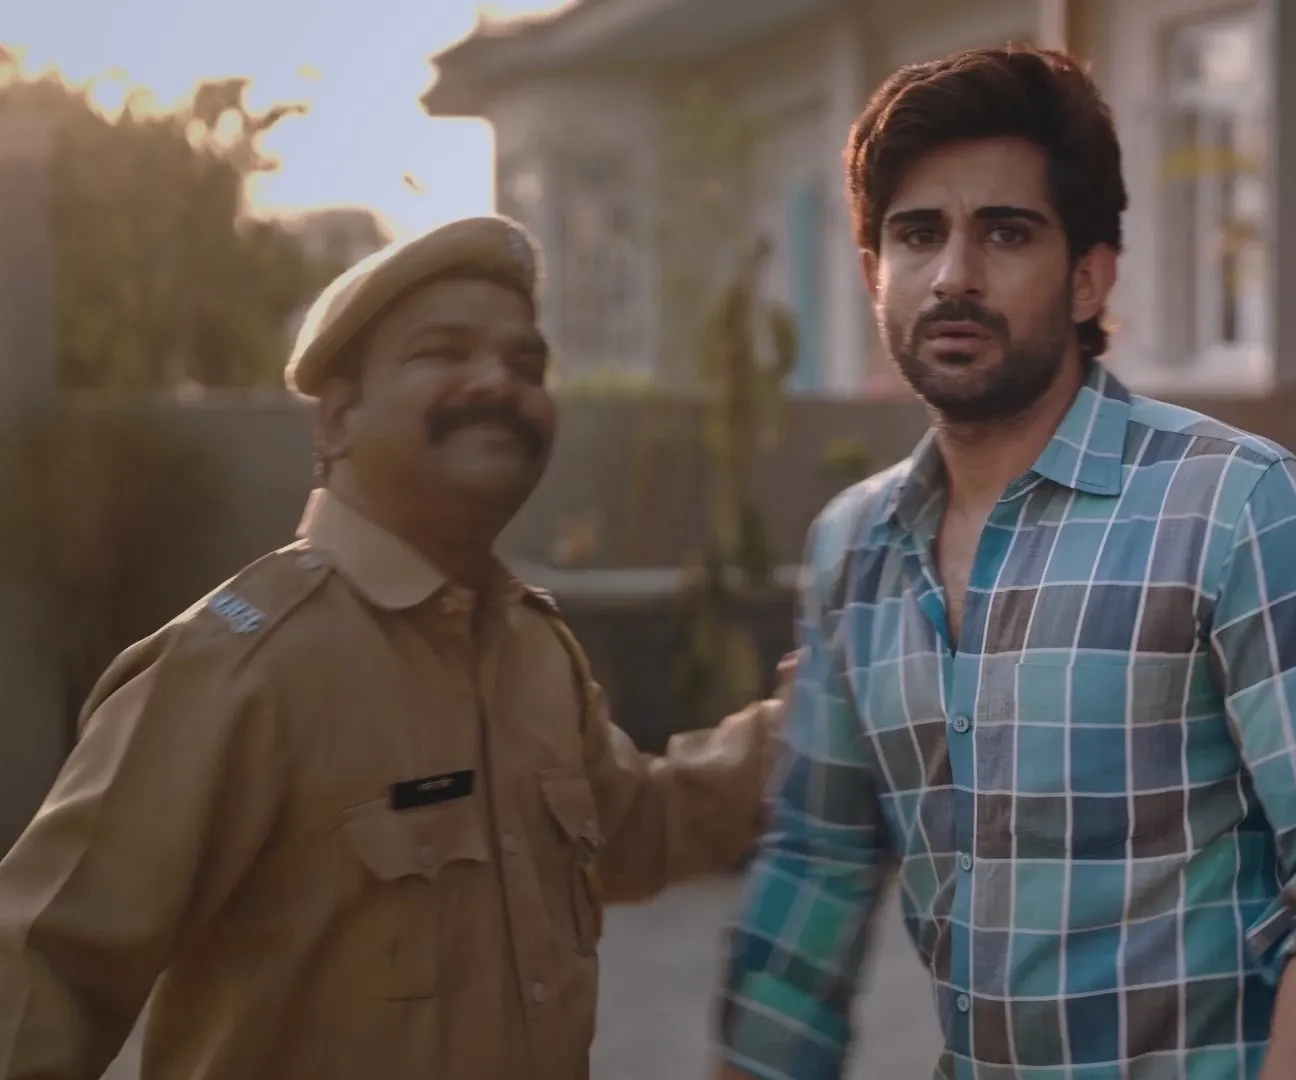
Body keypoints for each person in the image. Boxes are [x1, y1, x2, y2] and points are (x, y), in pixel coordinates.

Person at [717, 45, 1296, 1080]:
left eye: (1006, 233)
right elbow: (814, 871)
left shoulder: (1242, 510)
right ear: (875, 272)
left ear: (1090, 276)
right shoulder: (853, 549)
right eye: (917, 235)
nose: (954, 275)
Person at [0, 216, 787, 1080]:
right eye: (443, 352)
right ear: (338, 419)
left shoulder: (534, 651)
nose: (498, 381)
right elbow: (42, 973)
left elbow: (638, 827)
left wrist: (802, 720)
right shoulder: (240, 669)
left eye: (527, 365)